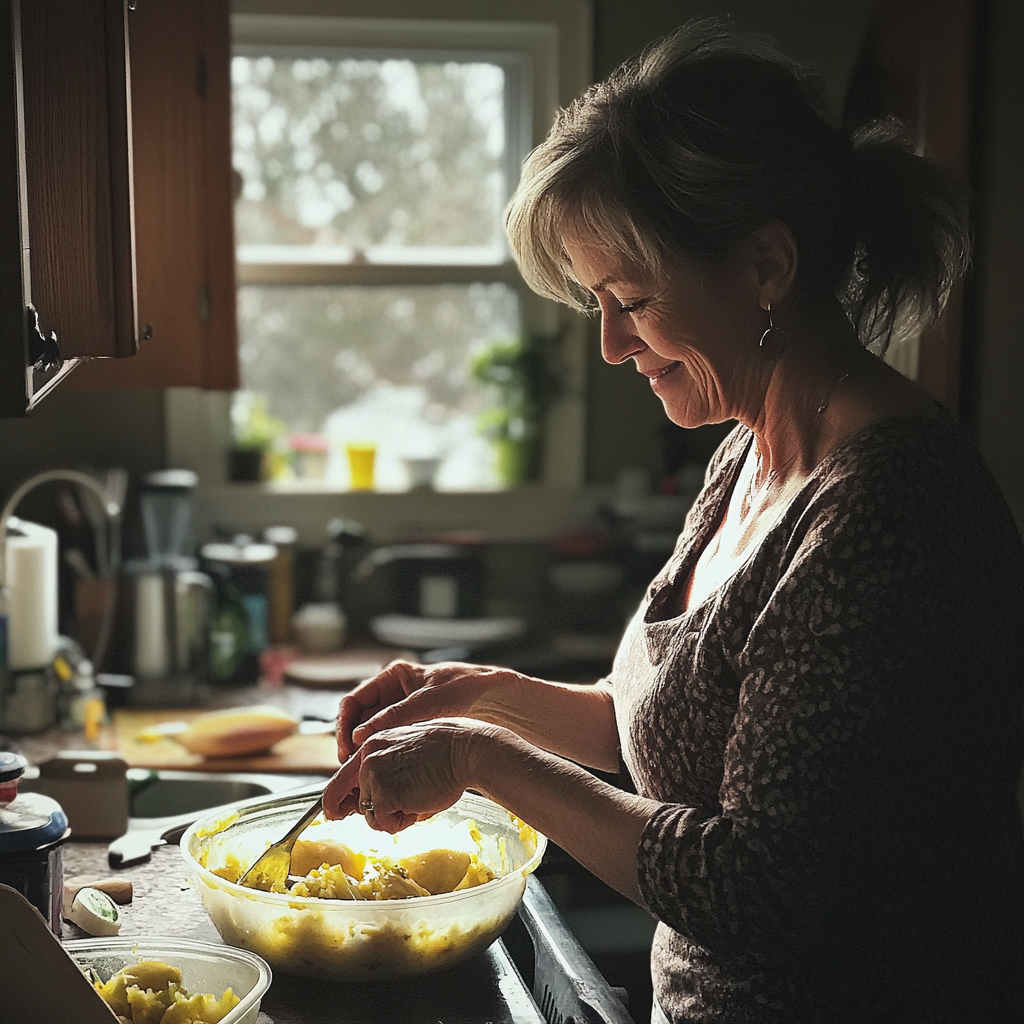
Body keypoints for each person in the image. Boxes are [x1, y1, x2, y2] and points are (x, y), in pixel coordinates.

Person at [323, 20, 1024, 1023]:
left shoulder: (889, 515)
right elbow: (672, 730)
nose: (610, 343)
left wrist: (478, 759)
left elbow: (760, 885)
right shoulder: (750, 448)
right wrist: (473, 699)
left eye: (631, 298)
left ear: (766, 266)